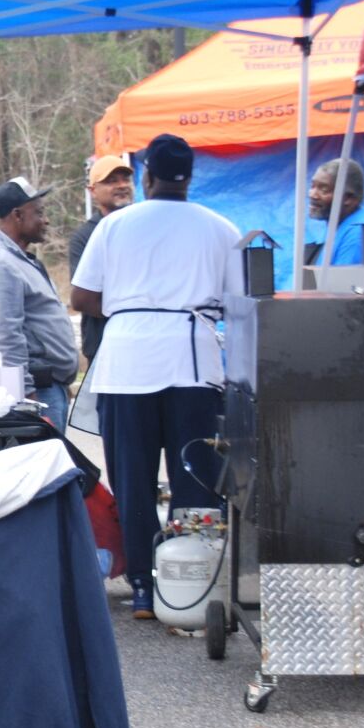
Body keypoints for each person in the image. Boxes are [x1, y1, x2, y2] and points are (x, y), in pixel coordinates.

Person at [69, 133, 240, 619]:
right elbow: (239, 301)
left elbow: (82, 298)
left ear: (147, 176)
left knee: (134, 477)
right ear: (191, 176)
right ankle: (195, 587)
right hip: (192, 361)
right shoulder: (220, 228)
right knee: (194, 473)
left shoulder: (116, 226)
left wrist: (130, 306)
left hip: (128, 362)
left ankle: (143, 587)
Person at [0, 177, 78, 425]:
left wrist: (59, 381)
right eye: (39, 212)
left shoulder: (19, 261)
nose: (46, 220)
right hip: (34, 395)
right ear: (18, 215)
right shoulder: (0, 266)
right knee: (41, 464)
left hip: (48, 388)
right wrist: (26, 400)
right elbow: (5, 339)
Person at [67, 155, 135, 364]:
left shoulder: (145, 227)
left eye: (125, 179)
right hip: (104, 347)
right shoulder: (84, 237)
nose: (121, 185)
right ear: (92, 190)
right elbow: (85, 298)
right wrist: (131, 312)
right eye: (111, 181)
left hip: (145, 342)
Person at [305, 157, 364, 267]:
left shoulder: (359, 233)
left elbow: (343, 282)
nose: (312, 194)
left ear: (348, 198)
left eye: (323, 189)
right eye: (312, 186)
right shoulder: (338, 224)